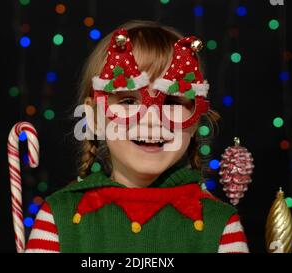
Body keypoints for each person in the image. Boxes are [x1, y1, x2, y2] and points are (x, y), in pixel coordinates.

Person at [24, 20, 249, 253]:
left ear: (194, 121)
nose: (152, 118)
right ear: (94, 117)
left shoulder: (219, 225)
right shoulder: (59, 216)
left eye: (171, 101)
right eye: (129, 100)